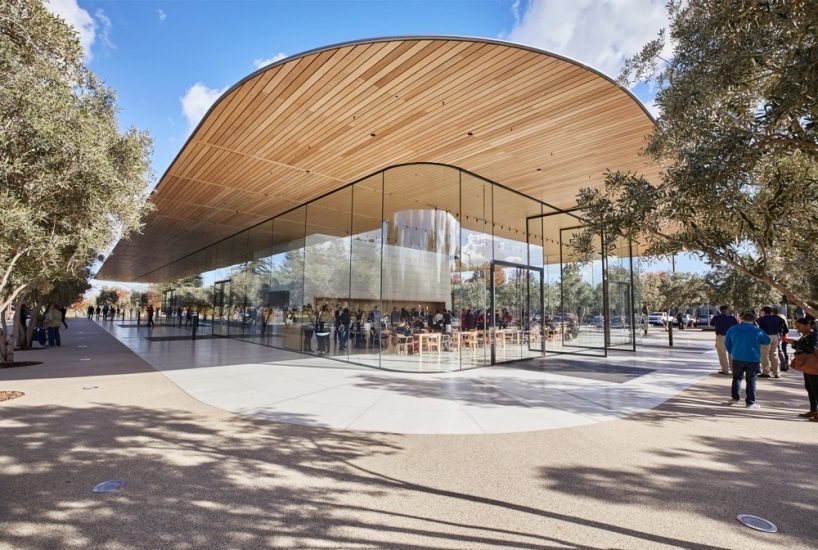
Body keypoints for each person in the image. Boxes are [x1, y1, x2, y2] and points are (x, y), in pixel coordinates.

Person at [724, 311, 770, 409]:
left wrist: (732, 352)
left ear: (742, 319)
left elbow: (727, 342)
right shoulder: (757, 330)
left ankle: (735, 398)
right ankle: (750, 402)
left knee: (736, 378)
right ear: (754, 320)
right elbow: (767, 341)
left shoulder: (733, 329)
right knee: (751, 380)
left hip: (737, 357)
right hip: (753, 358)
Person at [792, 317, 818, 421]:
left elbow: (813, 348)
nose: (798, 329)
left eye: (799, 326)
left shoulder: (814, 335)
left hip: (813, 365)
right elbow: (804, 347)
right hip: (808, 365)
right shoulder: (807, 335)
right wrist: (794, 344)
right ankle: (813, 410)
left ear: (808, 325)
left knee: (815, 389)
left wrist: (796, 343)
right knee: (809, 387)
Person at [757, 306, 785, 378]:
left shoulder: (762, 319)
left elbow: (760, 328)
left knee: (764, 355)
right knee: (774, 354)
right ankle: (776, 372)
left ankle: (766, 372)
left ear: (763, 311)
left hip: (766, 336)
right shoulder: (777, 318)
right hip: (775, 336)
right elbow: (782, 327)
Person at [710, 305, 738, 375]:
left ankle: (725, 370)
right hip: (731, 336)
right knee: (731, 353)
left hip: (721, 336)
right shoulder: (732, 318)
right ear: (728, 310)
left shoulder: (716, 317)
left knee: (722, 353)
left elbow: (711, 324)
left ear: (720, 310)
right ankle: (733, 369)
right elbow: (736, 326)